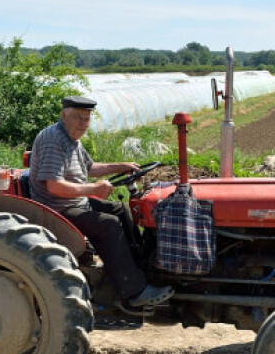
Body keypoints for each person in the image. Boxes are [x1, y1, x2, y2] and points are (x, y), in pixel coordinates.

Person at [29, 95, 174, 307]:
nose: (83, 123)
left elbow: (90, 168)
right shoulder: (54, 140)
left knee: (120, 210)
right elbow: (54, 186)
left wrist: (121, 166)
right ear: (64, 115)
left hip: (74, 202)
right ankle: (133, 291)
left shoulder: (71, 139)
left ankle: (139, 268)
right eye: (78, 117)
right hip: (56, 209)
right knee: (108, 225)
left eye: (87, 119)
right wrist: (94, 189)